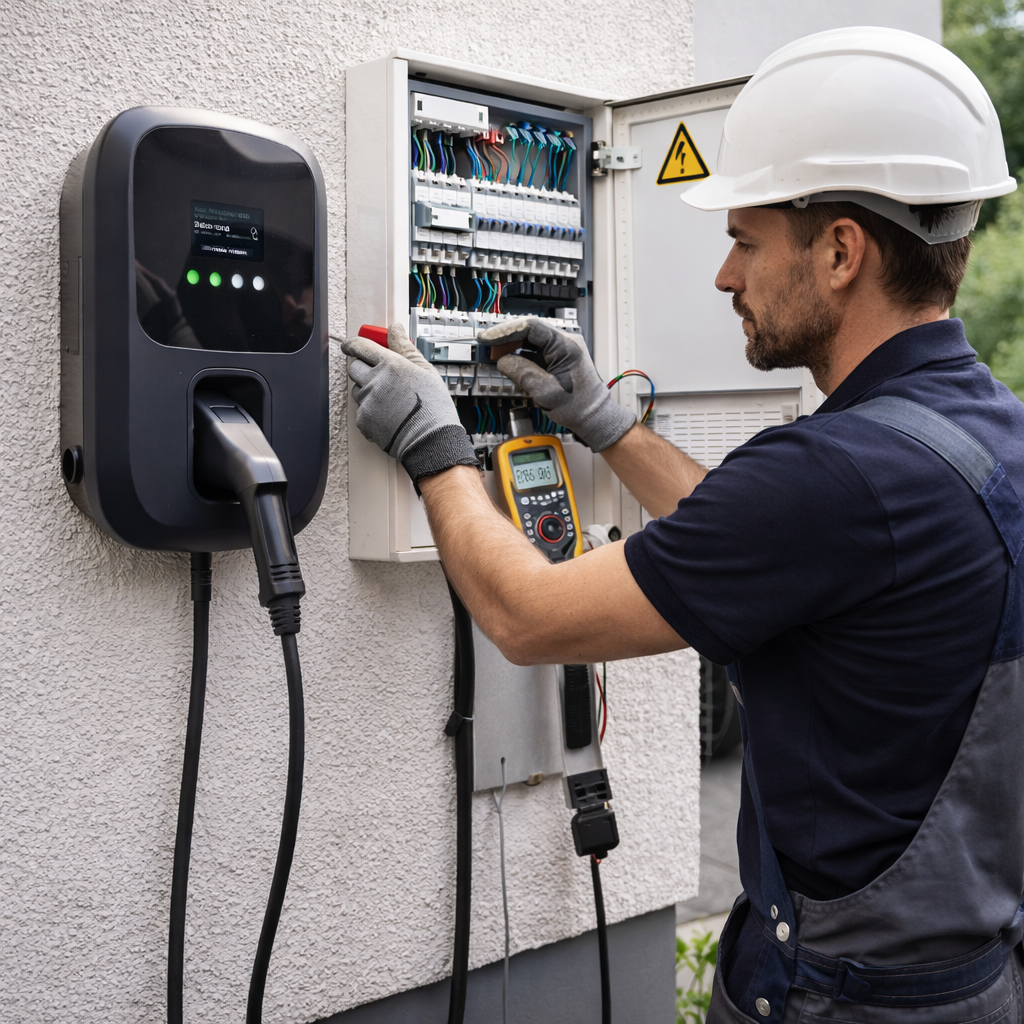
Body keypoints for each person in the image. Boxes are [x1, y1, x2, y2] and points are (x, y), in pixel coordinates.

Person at [343, 26, 1024, 1024]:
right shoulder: (987, 432)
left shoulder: (835, 472)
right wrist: (605, 424)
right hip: (971, 980)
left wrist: (435, 446)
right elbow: (763, 541)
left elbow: (526, 614)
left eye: (744, 240)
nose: (724, 277)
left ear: (840, 251)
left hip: (842, 998)